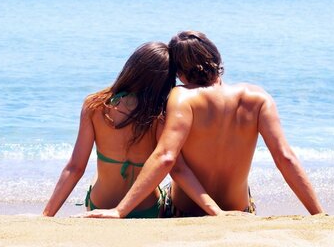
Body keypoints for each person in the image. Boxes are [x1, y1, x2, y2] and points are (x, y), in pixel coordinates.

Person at [83, 31, 325, 218]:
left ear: (180, 74)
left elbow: (166, 157)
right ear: (217, 59)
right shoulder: (258, 97)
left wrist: (120, 210)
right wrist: (318, 214)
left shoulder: (181, 97)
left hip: (183, 211)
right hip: (240, 209)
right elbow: (285, 158)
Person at [43, 41, 230, 218]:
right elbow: (178, 169)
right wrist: (216, 211)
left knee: (98, 173)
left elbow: (75, 168)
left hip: (100, 206)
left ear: (131, 68)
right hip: (148, 210)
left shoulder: (95, 106)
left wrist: (47, 215)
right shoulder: (161, 113)